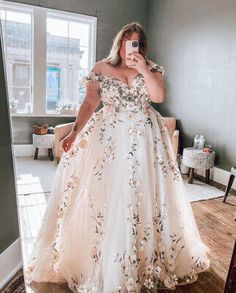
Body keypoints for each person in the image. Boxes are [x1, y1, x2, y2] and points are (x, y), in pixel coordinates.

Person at [25, 22, 210, 292]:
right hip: (110, 141)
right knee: (109, 196)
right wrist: (74, 134)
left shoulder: (152, 68)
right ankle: (107, 260)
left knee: (144, 196)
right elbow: (89, 103)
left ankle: (143, 259)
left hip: (146, 142)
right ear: (119, 43)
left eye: (135, 42)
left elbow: (158, 96)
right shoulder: (101, 68)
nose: (129, 47)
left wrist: (143, 68)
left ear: (141, 46)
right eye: (126, 41)